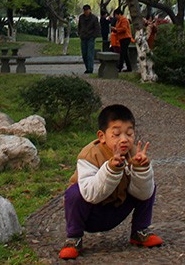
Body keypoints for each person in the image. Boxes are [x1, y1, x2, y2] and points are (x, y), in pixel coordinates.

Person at [59, 103, 163, 259]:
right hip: (92, 212)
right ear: (102, 136)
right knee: (74, 192)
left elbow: (143, 193)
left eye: (129, 134)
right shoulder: (89, 155)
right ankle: (74, 238)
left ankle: (140, 231)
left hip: (119, 207)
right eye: (116, 134)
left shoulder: (134, 153)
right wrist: (111, 169)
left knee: (149, 183)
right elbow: (89, 194)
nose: (124, 140)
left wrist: (142, 169)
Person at [77, 5, 100, 75]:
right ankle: (87, 68)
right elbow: (79, 26)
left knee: (90, 53)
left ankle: (90, 69)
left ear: (90, 10)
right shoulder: (81, 17)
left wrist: (94, 36)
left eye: (87, 10)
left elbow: (97, 28)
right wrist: (80, 34)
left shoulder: (94, 18)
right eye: (84, 11)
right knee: (84, 54)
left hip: (90, 37)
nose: (86, 12)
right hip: (83, 37)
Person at [108, 8, 133, 72]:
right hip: (121, 38)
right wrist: (115, 29)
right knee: (125, 54)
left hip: (126, 38)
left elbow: (124, 29)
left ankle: (120, 67)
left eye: (116, 15)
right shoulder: (118, 21)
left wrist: (116, 29)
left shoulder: (124, 20)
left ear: (119, 14)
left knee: (122, 52)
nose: (115, 16)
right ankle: (129, 67)